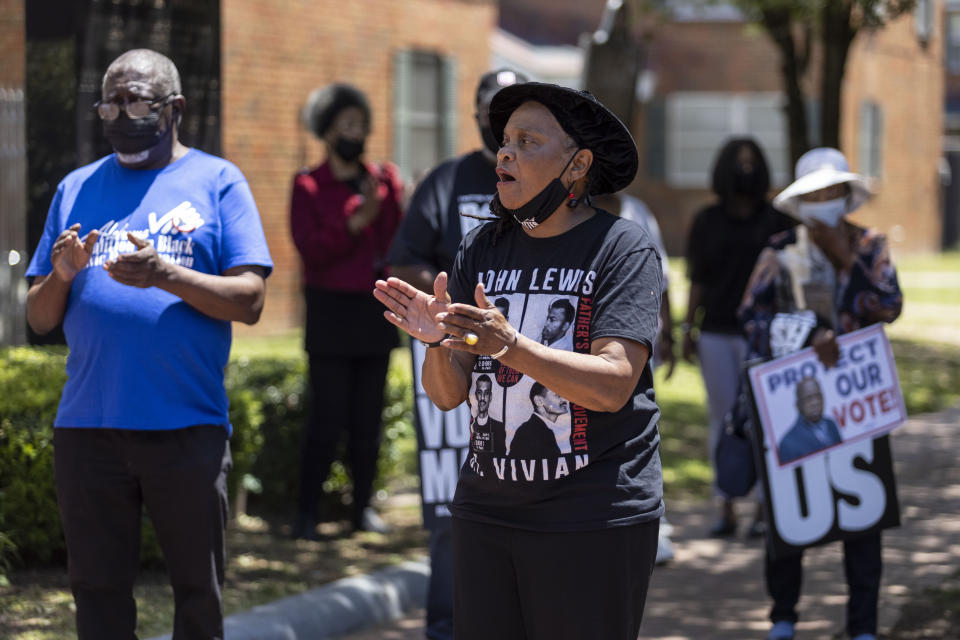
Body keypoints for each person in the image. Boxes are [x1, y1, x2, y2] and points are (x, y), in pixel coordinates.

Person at [375, 82, 663, 640]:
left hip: (592, 514)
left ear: (578, 164)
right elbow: (448, 393)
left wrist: (511, 346)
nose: (504, 152)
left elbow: (613, 384)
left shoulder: (623, 249)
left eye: (527, 141)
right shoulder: (480, 249)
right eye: (504, 140)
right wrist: (436, 344)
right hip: (487, 511)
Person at [24, 49, 273, 640]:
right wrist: (60, 275)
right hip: (88, 428)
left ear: (175, 108)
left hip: (185, 426)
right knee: (97, 592)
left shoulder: (218, 181)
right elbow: (37, 319)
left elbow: (251, 300)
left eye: (135, 99)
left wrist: (166, 275)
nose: (119, 112)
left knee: (196, 594)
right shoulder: (76, 186)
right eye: (109, 101)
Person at [738, 147, 902, 640]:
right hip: (795, 400)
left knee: (864, 514)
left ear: (846, 195)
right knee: (791, 509)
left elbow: (889, 306)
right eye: (816, 193)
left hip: (857, 398)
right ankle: (784, 616)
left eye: (833, 191)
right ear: (801, 201)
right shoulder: (779, 250)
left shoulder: (871, 246)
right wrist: (808, 336)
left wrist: (846, 259)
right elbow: (751, 318)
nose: (825, 200)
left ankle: (863, 626)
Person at [386, 68, 526, 640]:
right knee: (450, 507)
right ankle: (445, 626)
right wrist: (451, 305)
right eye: (489, 107)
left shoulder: (550, 186)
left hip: (529, 365)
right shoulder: (448, 181)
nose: (499, 121)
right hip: (454, 359)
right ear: (474, 115)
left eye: (510, 109)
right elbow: (403, 259)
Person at [290, 83, 403, 539]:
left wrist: (388, 203)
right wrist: (357, 219)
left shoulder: (384, 180)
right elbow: (311, 250)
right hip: (329, 311)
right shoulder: (309, 185)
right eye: (345, 125)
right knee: (327, 415)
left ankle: (362, 510)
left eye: (360, 125)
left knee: (367, 419)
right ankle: (305, 512)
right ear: (327, 130)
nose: (355, 133)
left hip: (372, 309)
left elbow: (398, 241)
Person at [684, 137, 795, 537]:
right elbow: (697, 278)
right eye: (739, 163)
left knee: (768, 418)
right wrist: (686, 327)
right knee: (723, 419)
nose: (745, 171)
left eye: (753, 163)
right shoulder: (707, 220)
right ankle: (725, 504)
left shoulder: (777, 221)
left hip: (767, 336)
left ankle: (765, 507)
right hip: (715, 331)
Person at [777, 376, 842, 464]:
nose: (815, 402)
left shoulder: (831, 424)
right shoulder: (788, 443)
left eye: (818, 396)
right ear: (798, 405)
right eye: (809, 398)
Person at [509, 382, 567, 458]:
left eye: (565, 395)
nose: (565, 400)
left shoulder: (546, 429)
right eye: (558, 395)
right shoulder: (527, 432)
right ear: (539, 401)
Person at [470, 374, 506, 455]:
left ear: (490, 397)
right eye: (479, 392)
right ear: (475, 394)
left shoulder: (499, 426)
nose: (482, 398)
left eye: (486, 393)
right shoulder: (473, 424)